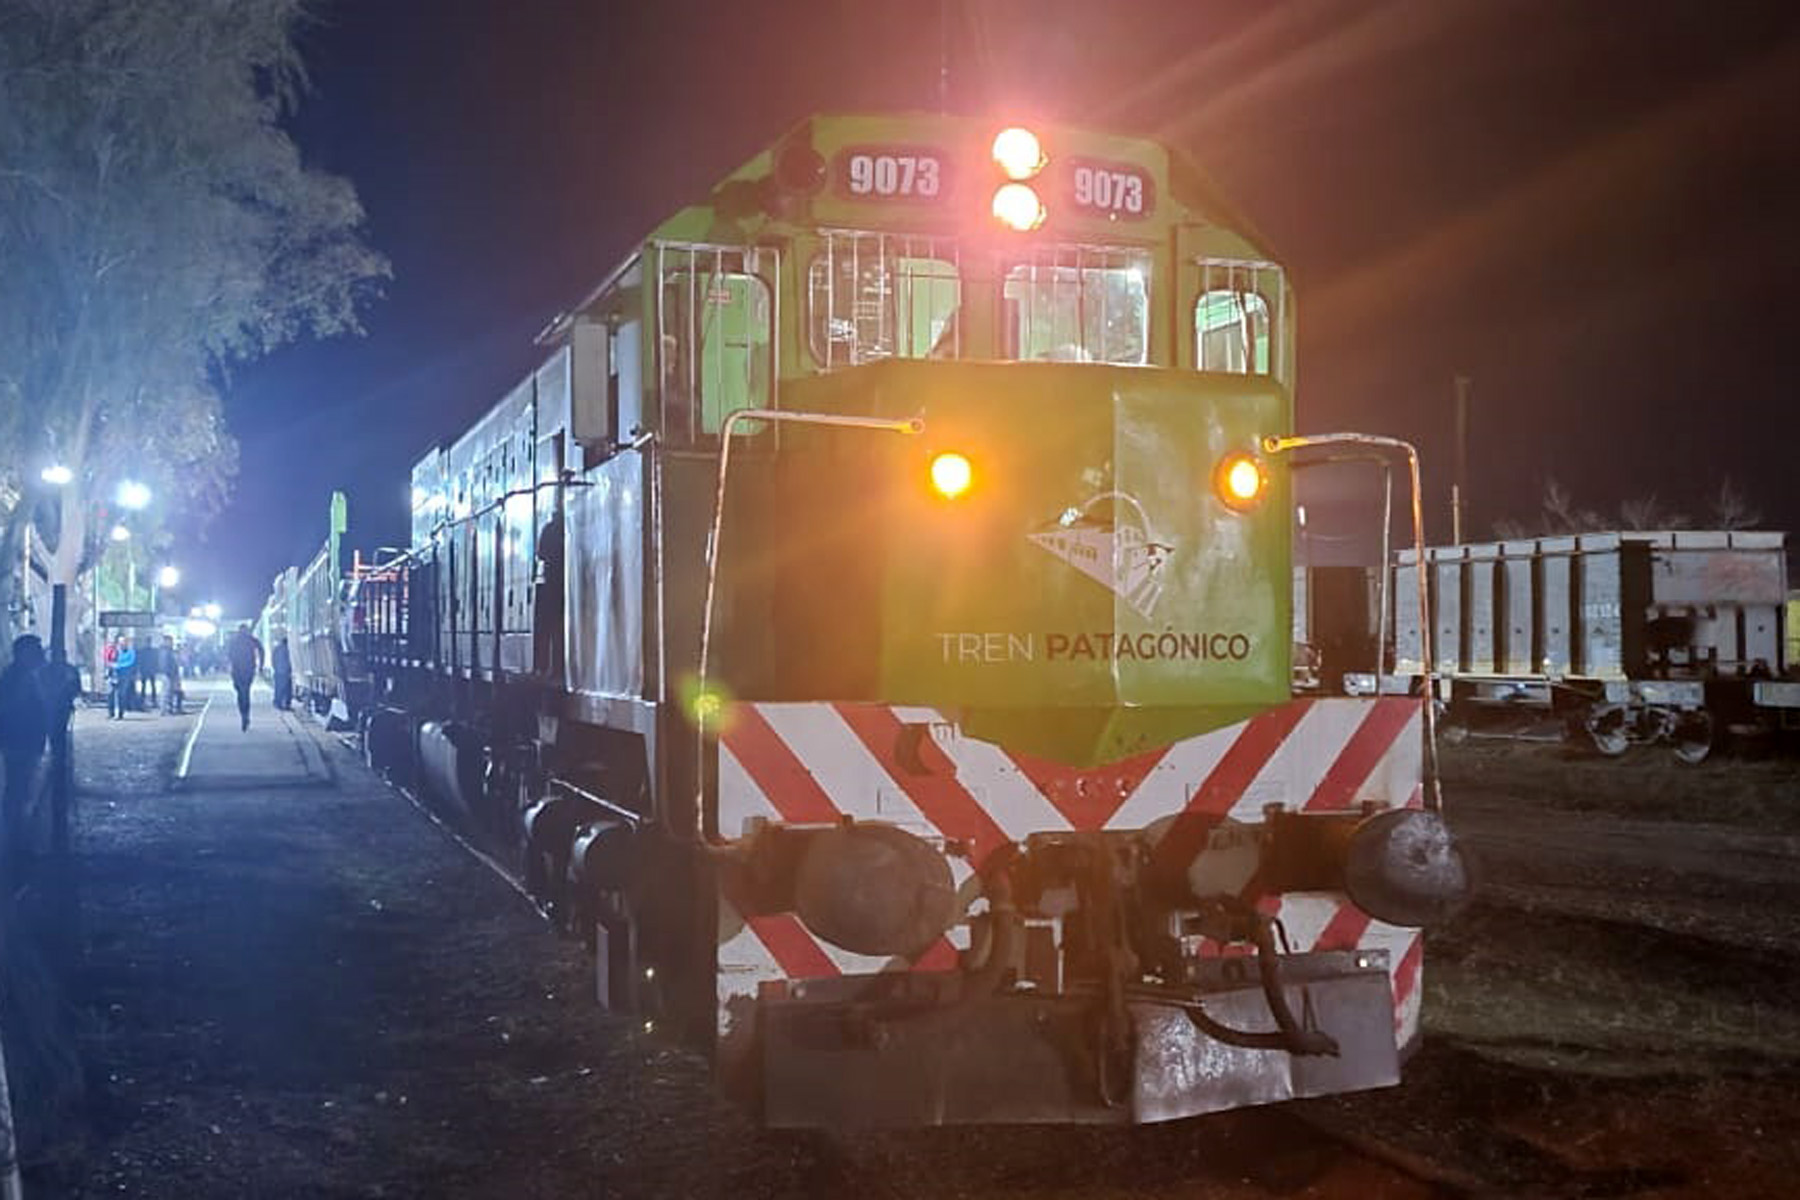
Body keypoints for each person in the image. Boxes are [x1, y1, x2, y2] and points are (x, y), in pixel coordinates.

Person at [0, 635, 51, 865]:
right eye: (36, 650)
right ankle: (15, 846)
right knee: (17, 793)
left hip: (24, 742)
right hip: (19, 743)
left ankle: (19, 843)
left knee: (21, 792)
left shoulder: (28, 676)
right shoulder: (15, 679)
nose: (40, 654)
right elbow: (16, 711)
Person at [226, 624, 264, 732]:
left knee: (242, 692)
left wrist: (229, 665)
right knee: (244, 692)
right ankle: (245, 714)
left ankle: (244, 714)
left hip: (239, 670)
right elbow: (261, 650)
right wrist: (260, 665)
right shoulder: (251, 640)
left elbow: (228, 654)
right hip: (247, 669)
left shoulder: (234, 641)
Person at [107, 632, 136, 720]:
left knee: (121, 694)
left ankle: (120, 713)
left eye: (123, 642)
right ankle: (111, 713)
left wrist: (118, 665)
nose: (122, 644)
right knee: (111, 694)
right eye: (120, 642)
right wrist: (111, 665)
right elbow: (108, 659)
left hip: (124, 676)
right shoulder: (115, 651)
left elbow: (131, 662)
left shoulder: (131, 652)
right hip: (114, 675)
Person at [162, 634, 184, 715]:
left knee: (170, 692)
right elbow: (165, 663)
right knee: (167, 692)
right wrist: (168, 672)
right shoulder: (165, 651)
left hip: (171, 673)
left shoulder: (169, 651)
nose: (171, 643)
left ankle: (169, 709)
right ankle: (166, 710)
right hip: (168, 674)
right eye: (170, 641)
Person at [271, 636, 293, 712]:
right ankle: (286, 704)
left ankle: (277, 702)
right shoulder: (288, 649)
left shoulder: (276, 649)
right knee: (287, 689)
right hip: (285, 672)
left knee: (278, 688)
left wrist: (275, 668)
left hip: (278, 671)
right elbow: (290, 661)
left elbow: (273, 660)